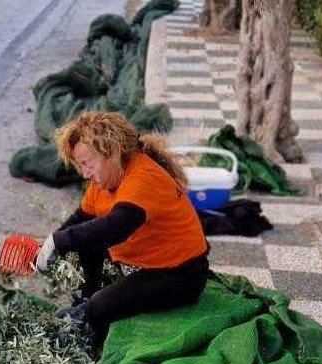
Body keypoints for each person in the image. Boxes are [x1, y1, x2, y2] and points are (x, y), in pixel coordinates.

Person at [35, 111, 209, 346]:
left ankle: (92, 327)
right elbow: (82, 219)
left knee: (101, 305)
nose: (85, 173)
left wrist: (61, 240)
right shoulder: (104, 180)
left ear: (113, 152)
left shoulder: (143, 177)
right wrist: (49, 244)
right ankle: (87, 298)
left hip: (180, 274)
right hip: (143, 261)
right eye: (80, 165)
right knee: (87, 235)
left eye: (88, 164)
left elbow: (116, 227)